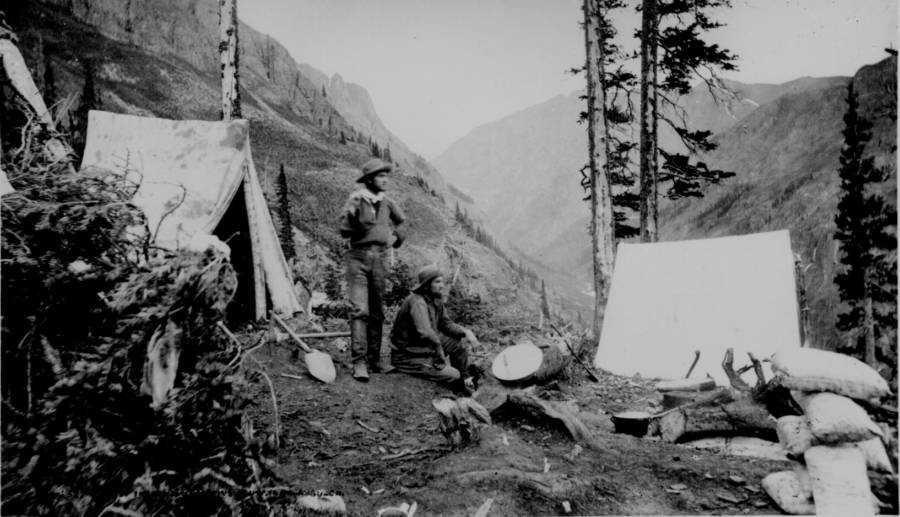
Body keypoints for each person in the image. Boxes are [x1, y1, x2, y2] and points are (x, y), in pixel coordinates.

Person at [338, 158, 406, 382]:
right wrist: (353, 212)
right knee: (360, 310)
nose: (385, 180)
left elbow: (402, 223)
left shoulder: (387, 202)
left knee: (377, 311)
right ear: (369, 179)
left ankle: (376, 360)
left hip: (381, 260)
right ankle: (359, 361)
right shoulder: (356, 199)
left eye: (386, 176)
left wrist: (395, 240)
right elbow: (344, 231)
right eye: (380, 176)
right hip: (357, 259)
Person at [389, 264, 483, 395]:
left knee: (458, 345)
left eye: (442, 281)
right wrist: (439, 355)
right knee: (454, 374)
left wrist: (467, 332)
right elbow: (426, 333)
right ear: (426, 285)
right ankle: (459, 387)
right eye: (437, 282)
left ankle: (466, 380)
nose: (442, 285)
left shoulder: (435, 299)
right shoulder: (417, 302)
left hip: (424, 347)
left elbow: (446, 324)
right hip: (408, 355)